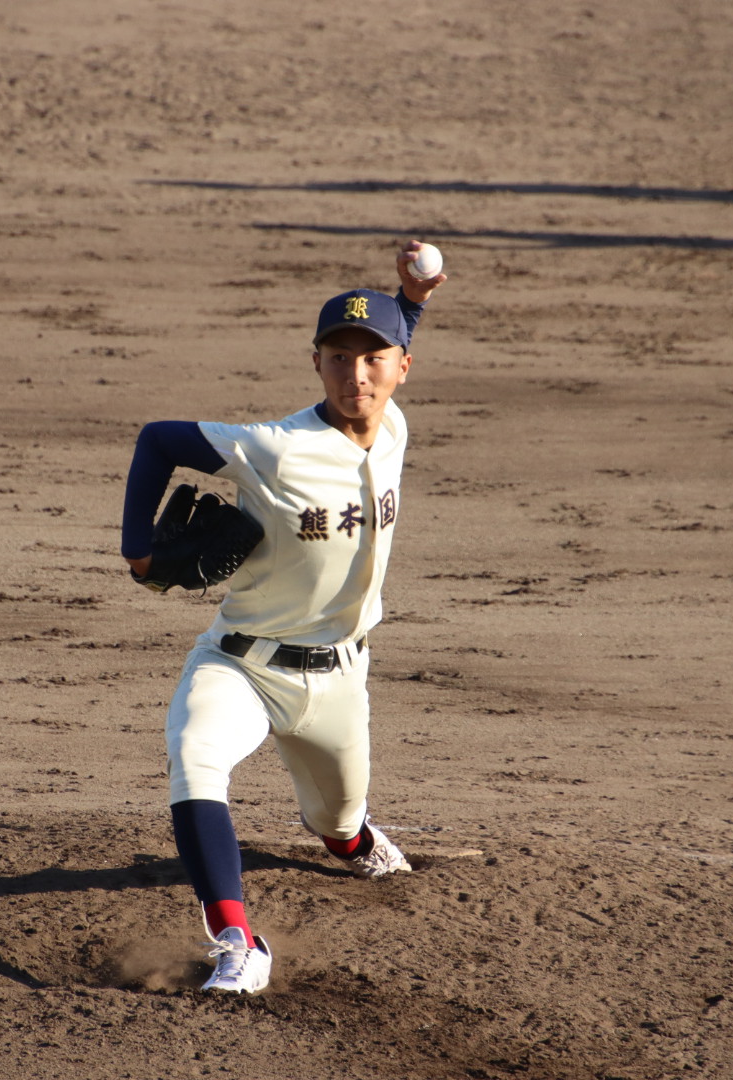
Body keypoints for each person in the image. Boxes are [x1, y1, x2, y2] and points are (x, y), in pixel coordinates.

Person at [119, 242, 447, 994]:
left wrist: (414, 299)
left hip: (340, 681)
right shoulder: (273, 447)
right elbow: (159, 440)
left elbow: (395, 341)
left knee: (337, 823)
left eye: (372, 359)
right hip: (241, 663)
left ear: (401, 368)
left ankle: (353, 840)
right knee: (195, 760)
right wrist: (139, 555)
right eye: (337, 357)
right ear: (316, 362)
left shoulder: (392, 428)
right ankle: (238, 940)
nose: (354, 374)